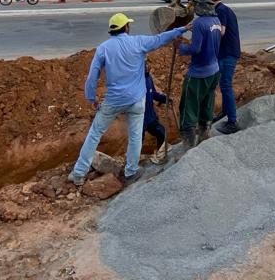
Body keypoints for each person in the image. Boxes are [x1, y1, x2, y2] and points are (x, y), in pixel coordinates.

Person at [68, 13, 189, 186]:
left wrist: (91, 98)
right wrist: (182, 28)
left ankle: (79, 173)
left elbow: (92, 77)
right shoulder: (138, 42)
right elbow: (161, 39)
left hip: (114, 100)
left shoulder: (103, 48)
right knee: (134, 136)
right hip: (136, 100)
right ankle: (131, 171)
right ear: (126, 27)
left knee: (94, 134)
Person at [178, 0, 223, 148]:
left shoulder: (199, 23)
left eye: (195, 4)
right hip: (214, 70)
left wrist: (182, 48)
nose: (193, 6)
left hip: (198, 73)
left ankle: (188, 144)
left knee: (188, 106)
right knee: (207, 103)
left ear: (200, 5)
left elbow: (196, 49)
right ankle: (204, 135)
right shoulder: (216, 21)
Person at [211, 0, 241, 134]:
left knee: (225, 85)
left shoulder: (221, 10)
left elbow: (221, 31)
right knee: (223, 85)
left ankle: (232, 122)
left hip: (227, 54)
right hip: (227, 52)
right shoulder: (225, 9)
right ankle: (225, 111)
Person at [142, 68, 170, 164]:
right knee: (137, 143)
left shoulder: (148, 78)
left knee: (162, 133)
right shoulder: (135, 80)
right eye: (144, 65)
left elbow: (153, 94)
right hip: (139, 120)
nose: (146, 67)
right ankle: (133, 167)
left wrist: (165, 98)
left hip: (150, 117)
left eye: (147, 64)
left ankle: (159, 156)